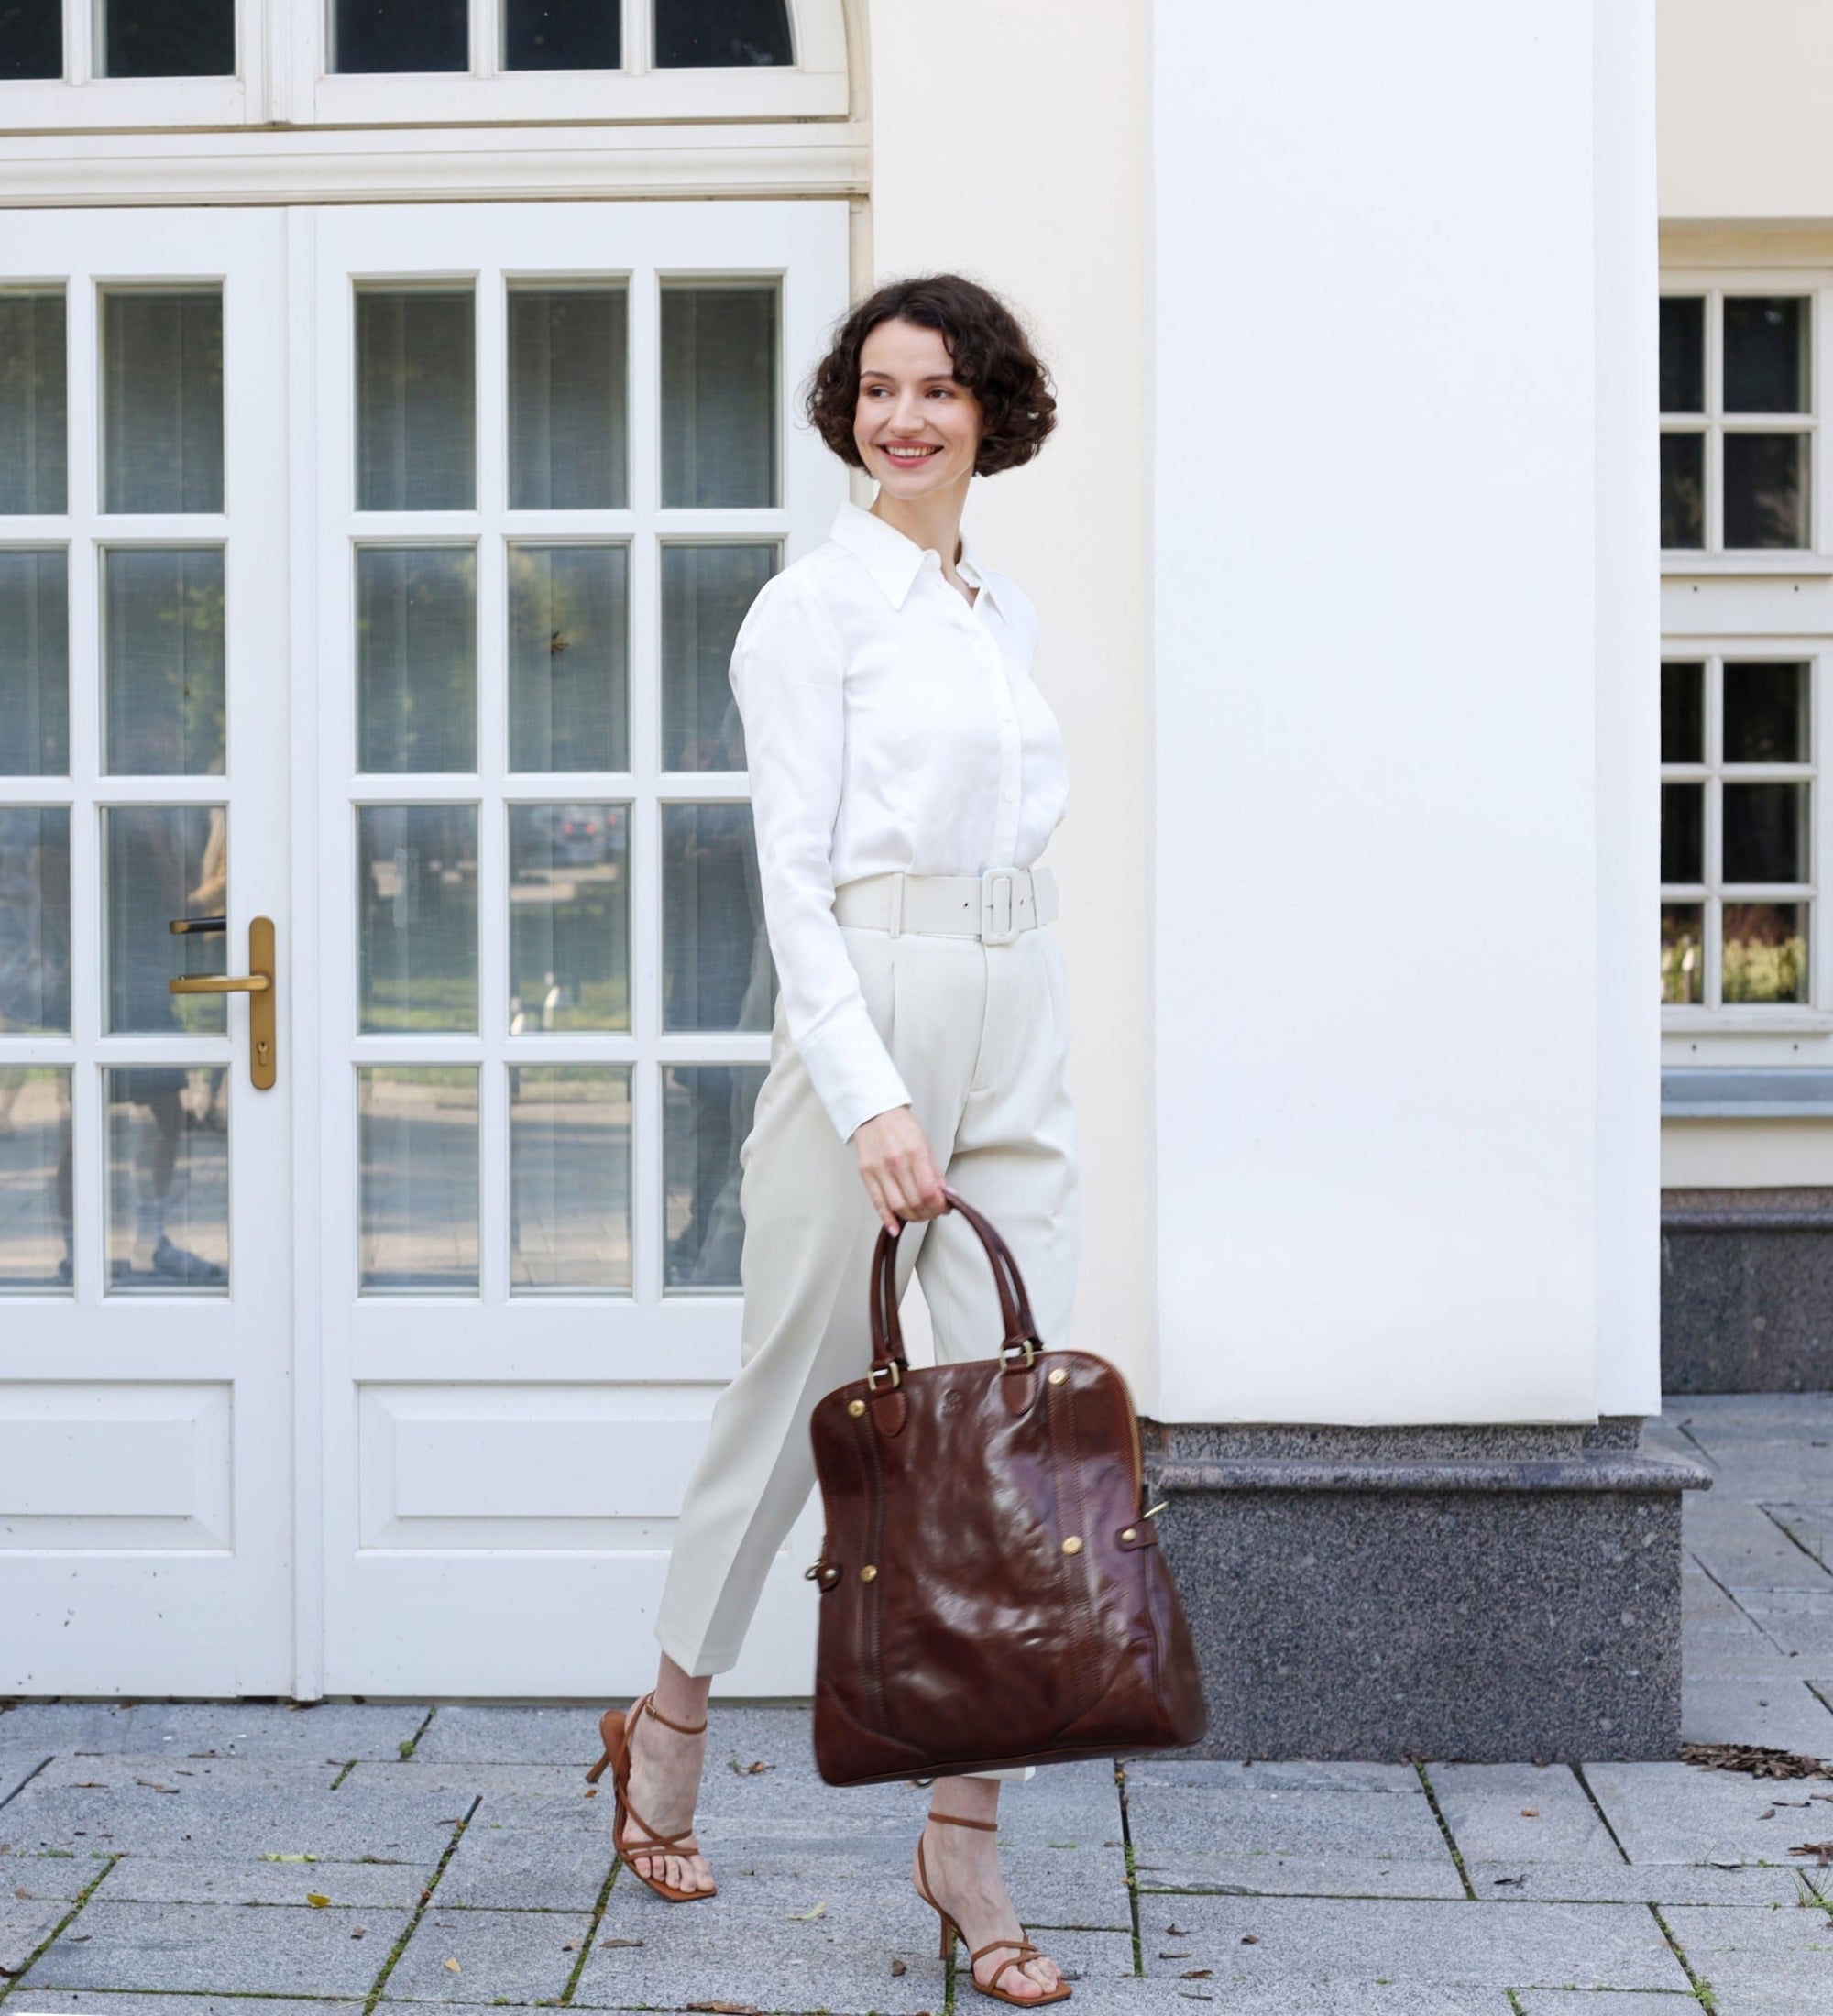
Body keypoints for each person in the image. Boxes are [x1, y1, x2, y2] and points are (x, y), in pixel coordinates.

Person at [590, 274, 1077, 2006]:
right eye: (879, 388)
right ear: (848, 412)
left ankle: (965, 1832)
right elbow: (793, 879)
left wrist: (1010, 1032)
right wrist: (870, 1090)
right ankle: (667, 1718)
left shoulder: (995, 606)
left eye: (941, 388)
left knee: (1013, 1428)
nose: (907, 417)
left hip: (1017, 1002)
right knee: (797, 1398)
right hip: (872, 1001)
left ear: (990, 409)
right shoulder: (815, 609)